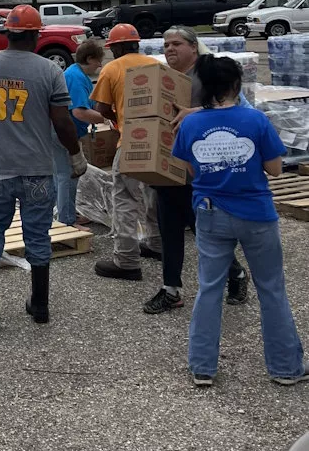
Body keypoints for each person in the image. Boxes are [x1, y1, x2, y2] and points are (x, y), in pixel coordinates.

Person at [173, 54, 307, 387]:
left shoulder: (190, 124)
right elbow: (275, 169)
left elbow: (191, 169)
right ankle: (286, 368)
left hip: (209, 212)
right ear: (237, 84)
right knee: (271, 290)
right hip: (256, 214)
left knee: (209, 289)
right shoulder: (256, 120)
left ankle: (202, 367)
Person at [0, 5, 87, 325]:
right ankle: (40, 305)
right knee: (37, 235)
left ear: (8, 32)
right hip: (38, 170)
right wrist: (75, 154)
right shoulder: (49, 71)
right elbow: (61, 120)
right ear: (36, 34)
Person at [143, 25, 251, 314]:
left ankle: (236, 273)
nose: (169, 49)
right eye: (166, 45)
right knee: (169, 228)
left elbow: (236, 105)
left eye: (176, 44)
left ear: (193, 46)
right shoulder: (165, 76)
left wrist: (196, 111)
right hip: (167, 164)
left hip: (201, 167)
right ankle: (171, 290)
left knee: (203, 228)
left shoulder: (209, 70)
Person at [90, 23, 164, 281]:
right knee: (154, 194)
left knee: (124, 198)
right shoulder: (156, 64)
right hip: (159, 141)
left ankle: (126, 260)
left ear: (118, 47)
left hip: (131, 140)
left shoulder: (112, 69)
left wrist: (118, 120)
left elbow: (101, 108)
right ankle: (156, 244)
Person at [53, 39, 106, 226]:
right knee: (69, 175)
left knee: (62, 174)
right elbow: (79, 112)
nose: (100, 65)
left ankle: (65, 214)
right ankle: (66, 220)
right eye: (98, 61)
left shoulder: (75, 74)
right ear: (89, 58)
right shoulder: (76, 77)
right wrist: (108, 118)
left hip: (63, 131)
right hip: (65, 133)